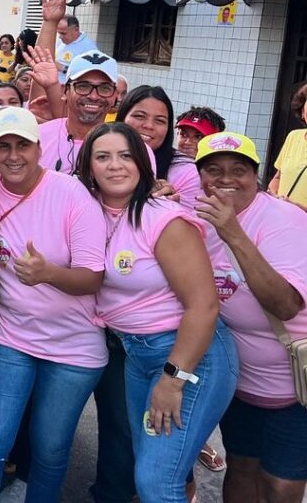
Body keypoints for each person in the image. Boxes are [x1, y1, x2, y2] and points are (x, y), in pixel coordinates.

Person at [77, 123, 237, 503]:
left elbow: (204, 305)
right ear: (89, 168)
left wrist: (173, 380)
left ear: (142, 163)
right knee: (152, 468)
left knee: (156, 481)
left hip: (189, 356)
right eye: (103, 156)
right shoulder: (88, 213)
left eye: (126, 155)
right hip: (137, 355)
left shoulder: (162, 217)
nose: (115, 165)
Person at [0, 107, 107, 502]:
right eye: (3, 147)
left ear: (39, 148)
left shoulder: (71, 193)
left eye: (23, 145)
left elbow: (93, 277)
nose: (13, 156)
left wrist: (49, 274)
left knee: (49, 448)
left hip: (74, 347)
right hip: (11, 337)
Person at [194, 132, 307, 503]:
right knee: (241, 468)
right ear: (200, 177)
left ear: (255, 176)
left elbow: (286, 305)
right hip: (239, 384)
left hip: (296, 389)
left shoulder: (285, 219)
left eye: (238, 170)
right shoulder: (198, 219)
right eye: (214, 170)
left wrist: (234, 234)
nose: (226, 179)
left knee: (281, 485)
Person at [117, 86, 201, 210]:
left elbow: (195, 220)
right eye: (139, 116)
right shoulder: (97, 157)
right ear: (122, 118)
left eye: (160, 121)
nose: (149, 125)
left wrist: (168, 209)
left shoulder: (188, 173)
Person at [38, 50, 117, 175]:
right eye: (83, 86)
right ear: (65, 91)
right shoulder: (37, 137)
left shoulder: (130, 148)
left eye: (104, 88)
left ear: (115, 96)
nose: (94, 96)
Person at [268, 83, 307, 210]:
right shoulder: (293, 137)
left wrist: (297, 209)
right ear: (302, 112)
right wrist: (273, 195)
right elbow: (278, 177)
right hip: (281, 217)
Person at [54, 15, 98, 83]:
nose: (60, 37)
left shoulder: (89, 46)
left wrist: (63, 68)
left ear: (76, 30)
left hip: (69, 87)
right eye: (59, 33)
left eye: (63, 33)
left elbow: (91, 72)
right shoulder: (60, 41)